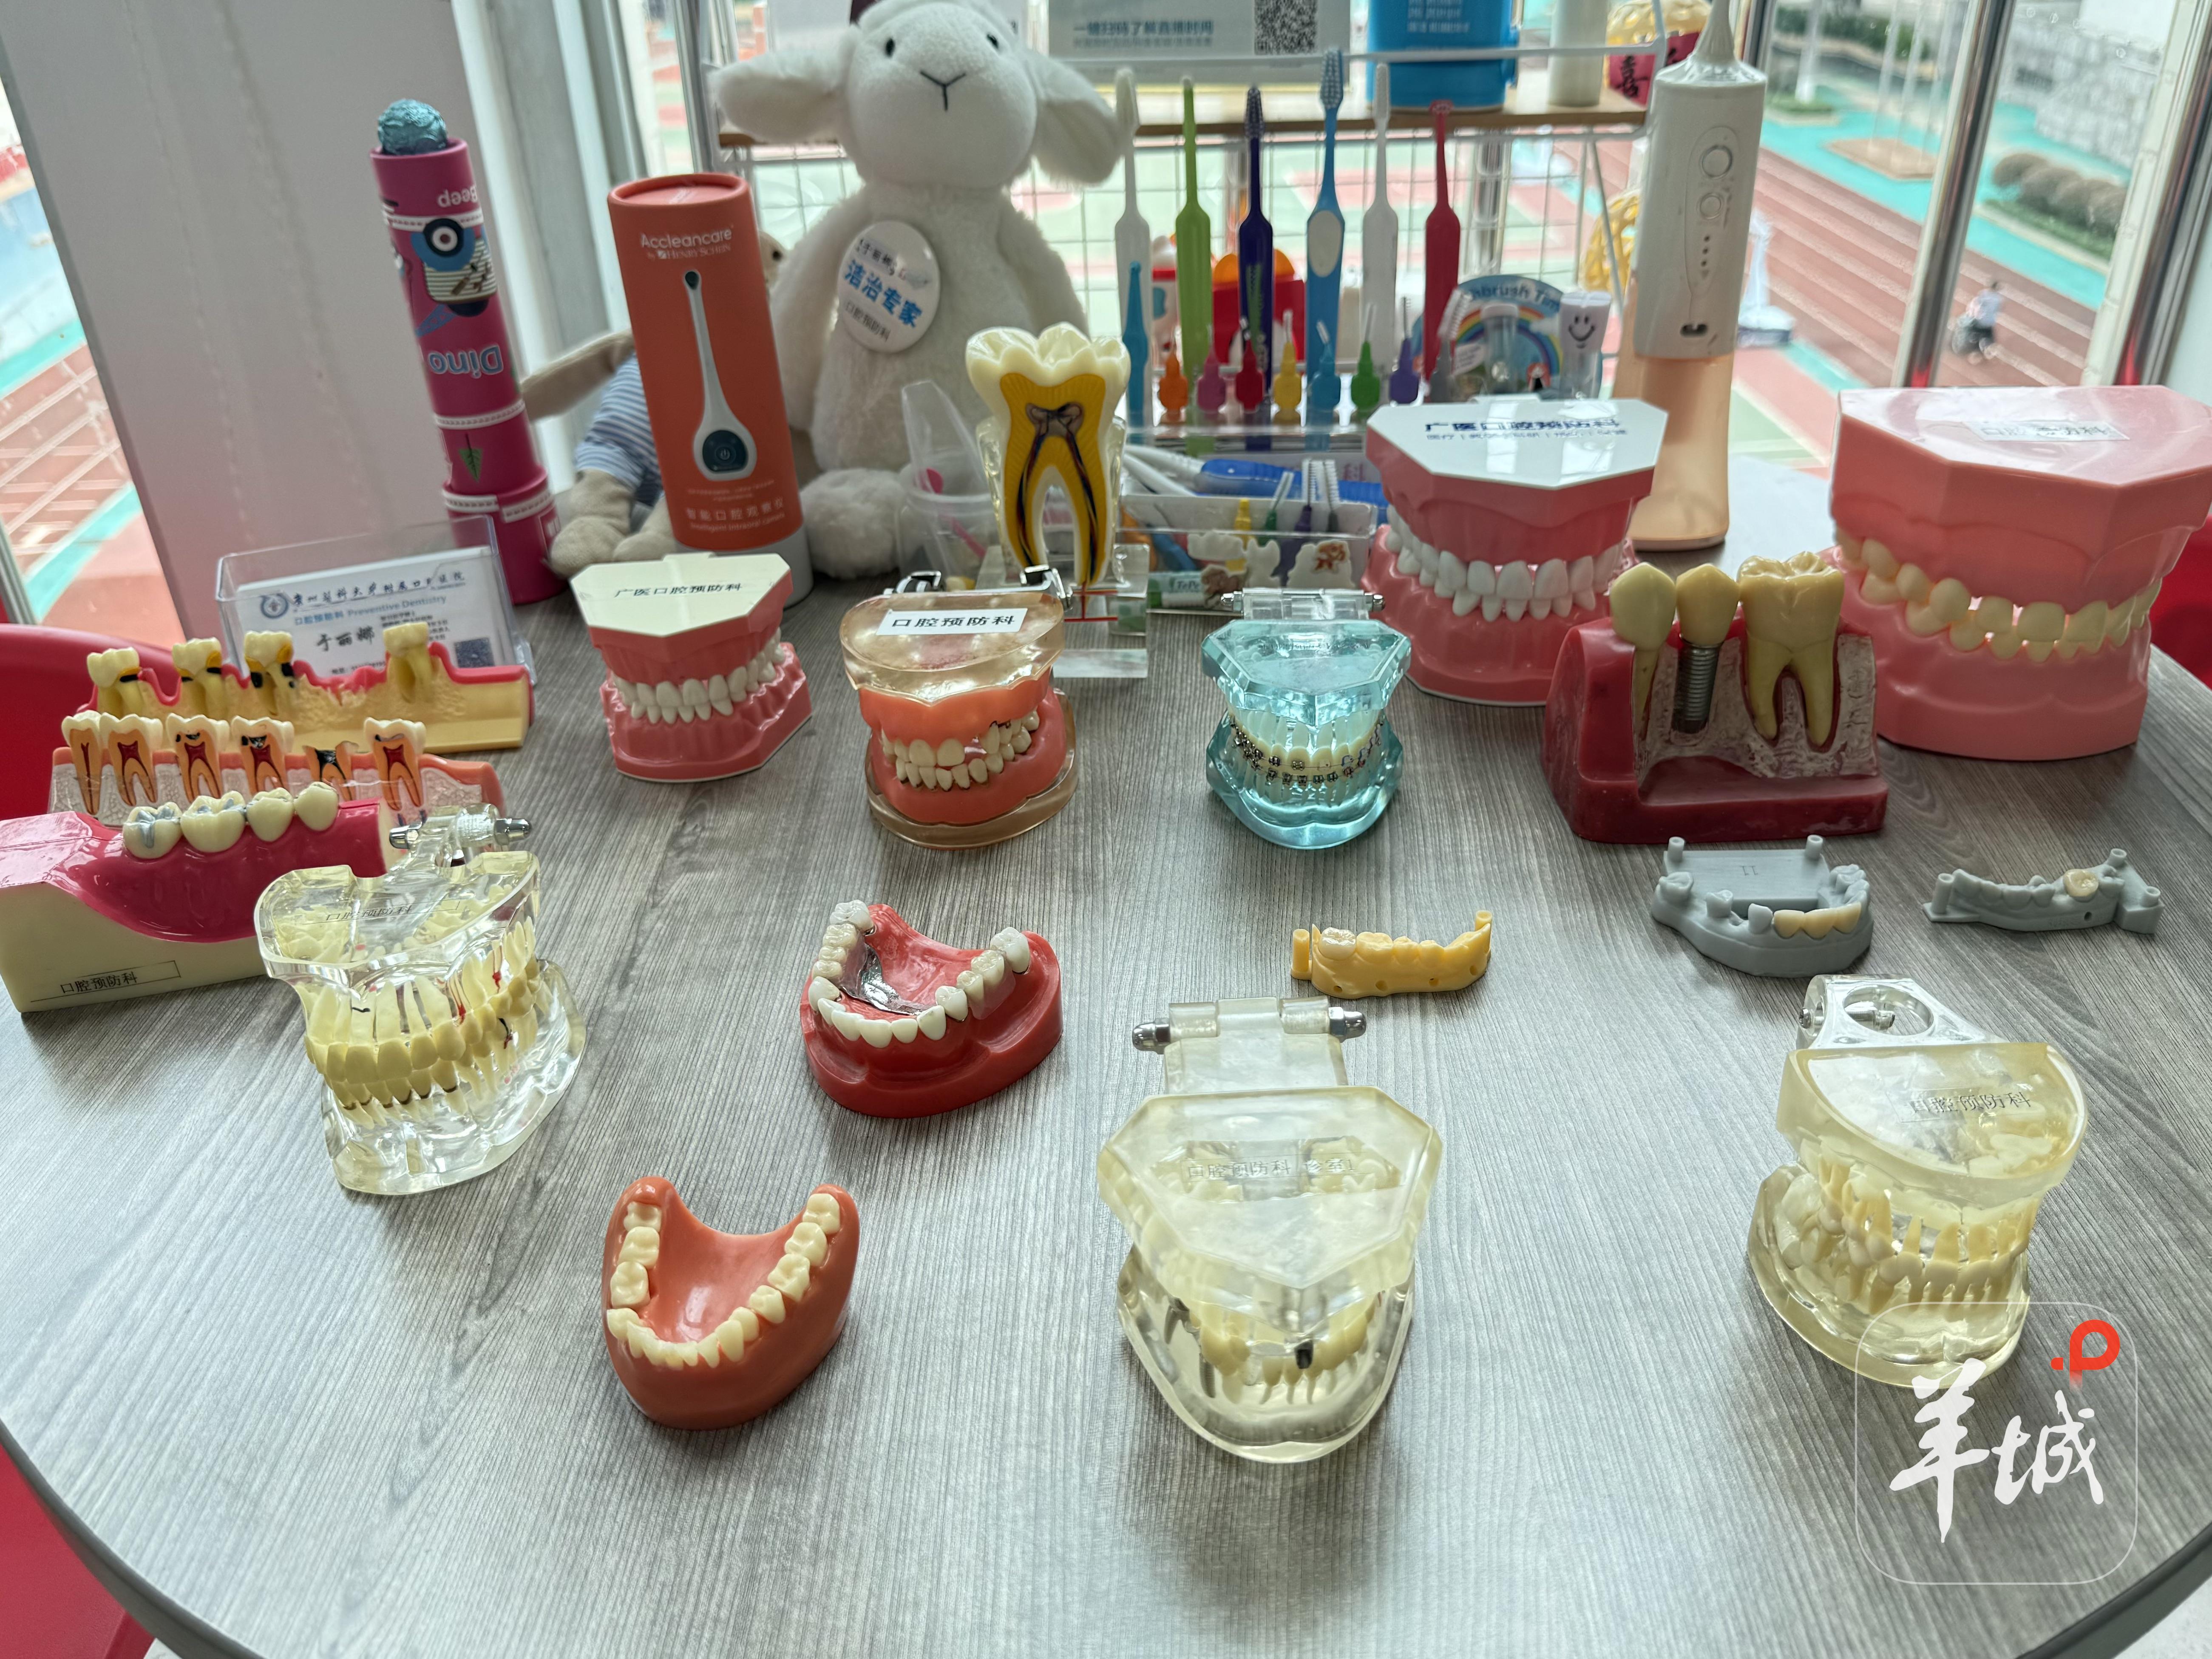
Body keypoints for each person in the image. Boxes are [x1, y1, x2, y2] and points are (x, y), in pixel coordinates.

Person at [1957, 281, 2004, 360]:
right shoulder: (1998, 299)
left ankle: (1969, 349)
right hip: (1989, 323)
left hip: (1979, 321)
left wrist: (1972, 315)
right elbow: (1997, 311)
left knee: (1970, 333)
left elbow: (1975, 306)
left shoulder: (1984, 294)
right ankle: (1987, 350)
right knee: (1989, 338)